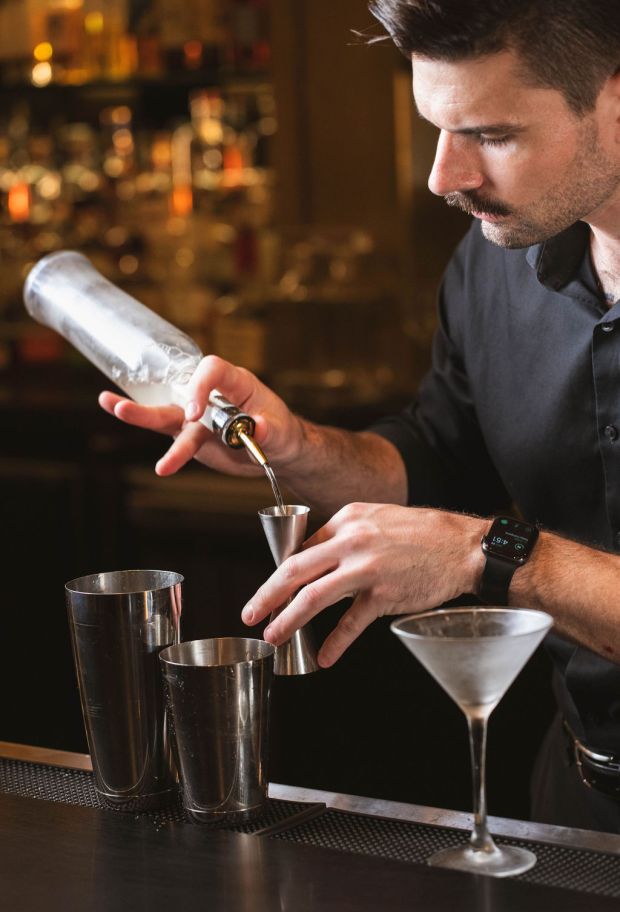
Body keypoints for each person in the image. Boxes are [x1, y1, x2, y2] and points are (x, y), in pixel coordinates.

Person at [99, 0, 620, 832]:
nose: (443, 177)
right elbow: (437, 459)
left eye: (491, 134)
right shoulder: (496, 268)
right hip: (577, 801)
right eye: (436, 129)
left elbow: (471, 540)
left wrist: (491, 555)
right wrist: (300, 447)